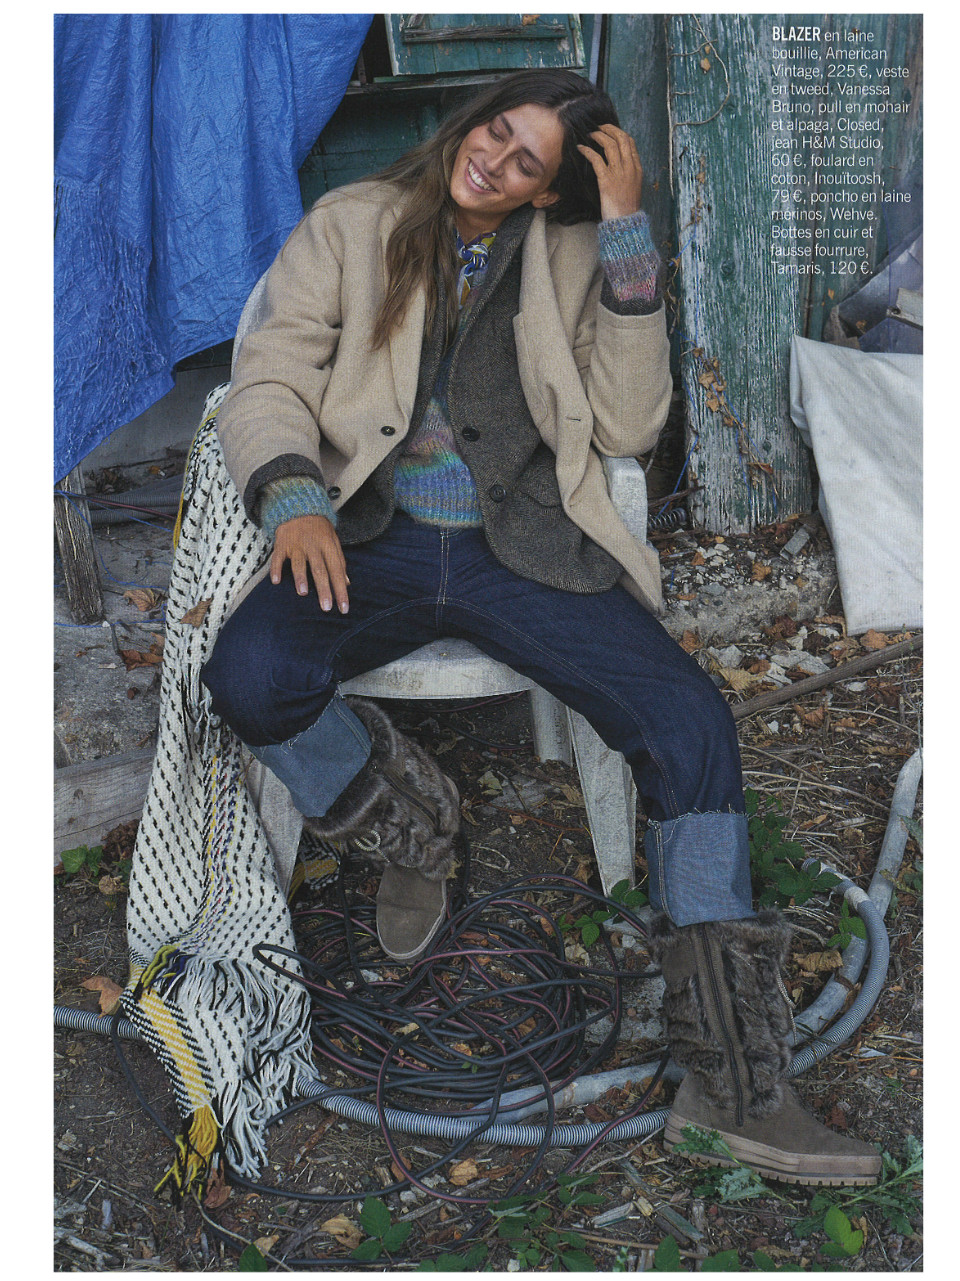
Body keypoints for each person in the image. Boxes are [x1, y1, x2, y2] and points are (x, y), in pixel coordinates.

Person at [200, 69, 879, 1186]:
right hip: (367, 536)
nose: (496, 162)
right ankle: (412, 825)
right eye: (497, 131)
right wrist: (291, 493)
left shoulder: (572, 253)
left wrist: (624, 238)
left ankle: (732, 1079)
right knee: (251, 673)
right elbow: (269, 372)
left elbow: (630, 423)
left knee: (688, 721)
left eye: (530, 163)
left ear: (545, 190)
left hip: (521, 550)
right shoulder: (352, 223)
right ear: (472, 117)